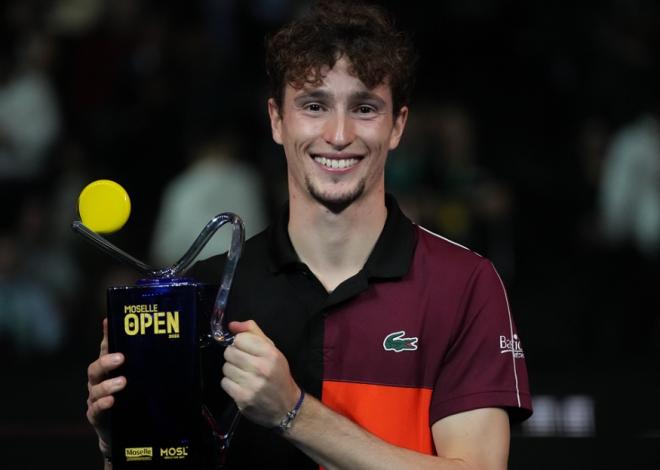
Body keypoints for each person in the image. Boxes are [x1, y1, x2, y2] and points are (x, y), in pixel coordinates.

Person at [86, 1, 532, 468]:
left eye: (364, 107)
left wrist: (291, 412)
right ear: (277, 120)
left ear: (397, 125)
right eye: (314, 106)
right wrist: (122, 438)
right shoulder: (206, 296)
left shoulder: (464, 284)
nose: (338, 134)